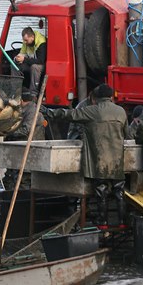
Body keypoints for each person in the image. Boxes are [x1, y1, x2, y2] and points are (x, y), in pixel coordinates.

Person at [42, 84, 128, 227]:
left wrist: (47, 111)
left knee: (101, 191)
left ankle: (103, 222)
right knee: (119, 190)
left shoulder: (91, 111)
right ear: (111, 97)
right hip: (117, 159)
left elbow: (68, 115)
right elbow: (127, 133)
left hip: (99, 159)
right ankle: (122, 222)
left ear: (96, 98)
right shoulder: (121, 112)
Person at [2, 92, 45, 190]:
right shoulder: (24, 109)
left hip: (29, 150)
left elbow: (26, 130)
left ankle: (22, 201)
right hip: (19, 149)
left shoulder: (33, 111)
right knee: (10, 178)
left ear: (21, 100)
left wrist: (8, 132)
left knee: (23, 180)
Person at [12, 27, 47, 96]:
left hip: (41, 64)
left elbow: (41, 60)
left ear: (32, 37)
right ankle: (16, 91)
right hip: (31, 62)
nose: (24, 42)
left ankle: (33, 93)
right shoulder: (26, 42)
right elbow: (22, 53)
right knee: (15, 65)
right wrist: (17, 59)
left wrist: (24, 60)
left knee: (34, 67)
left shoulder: (41, 42)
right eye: (24, 40)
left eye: (26, 40)